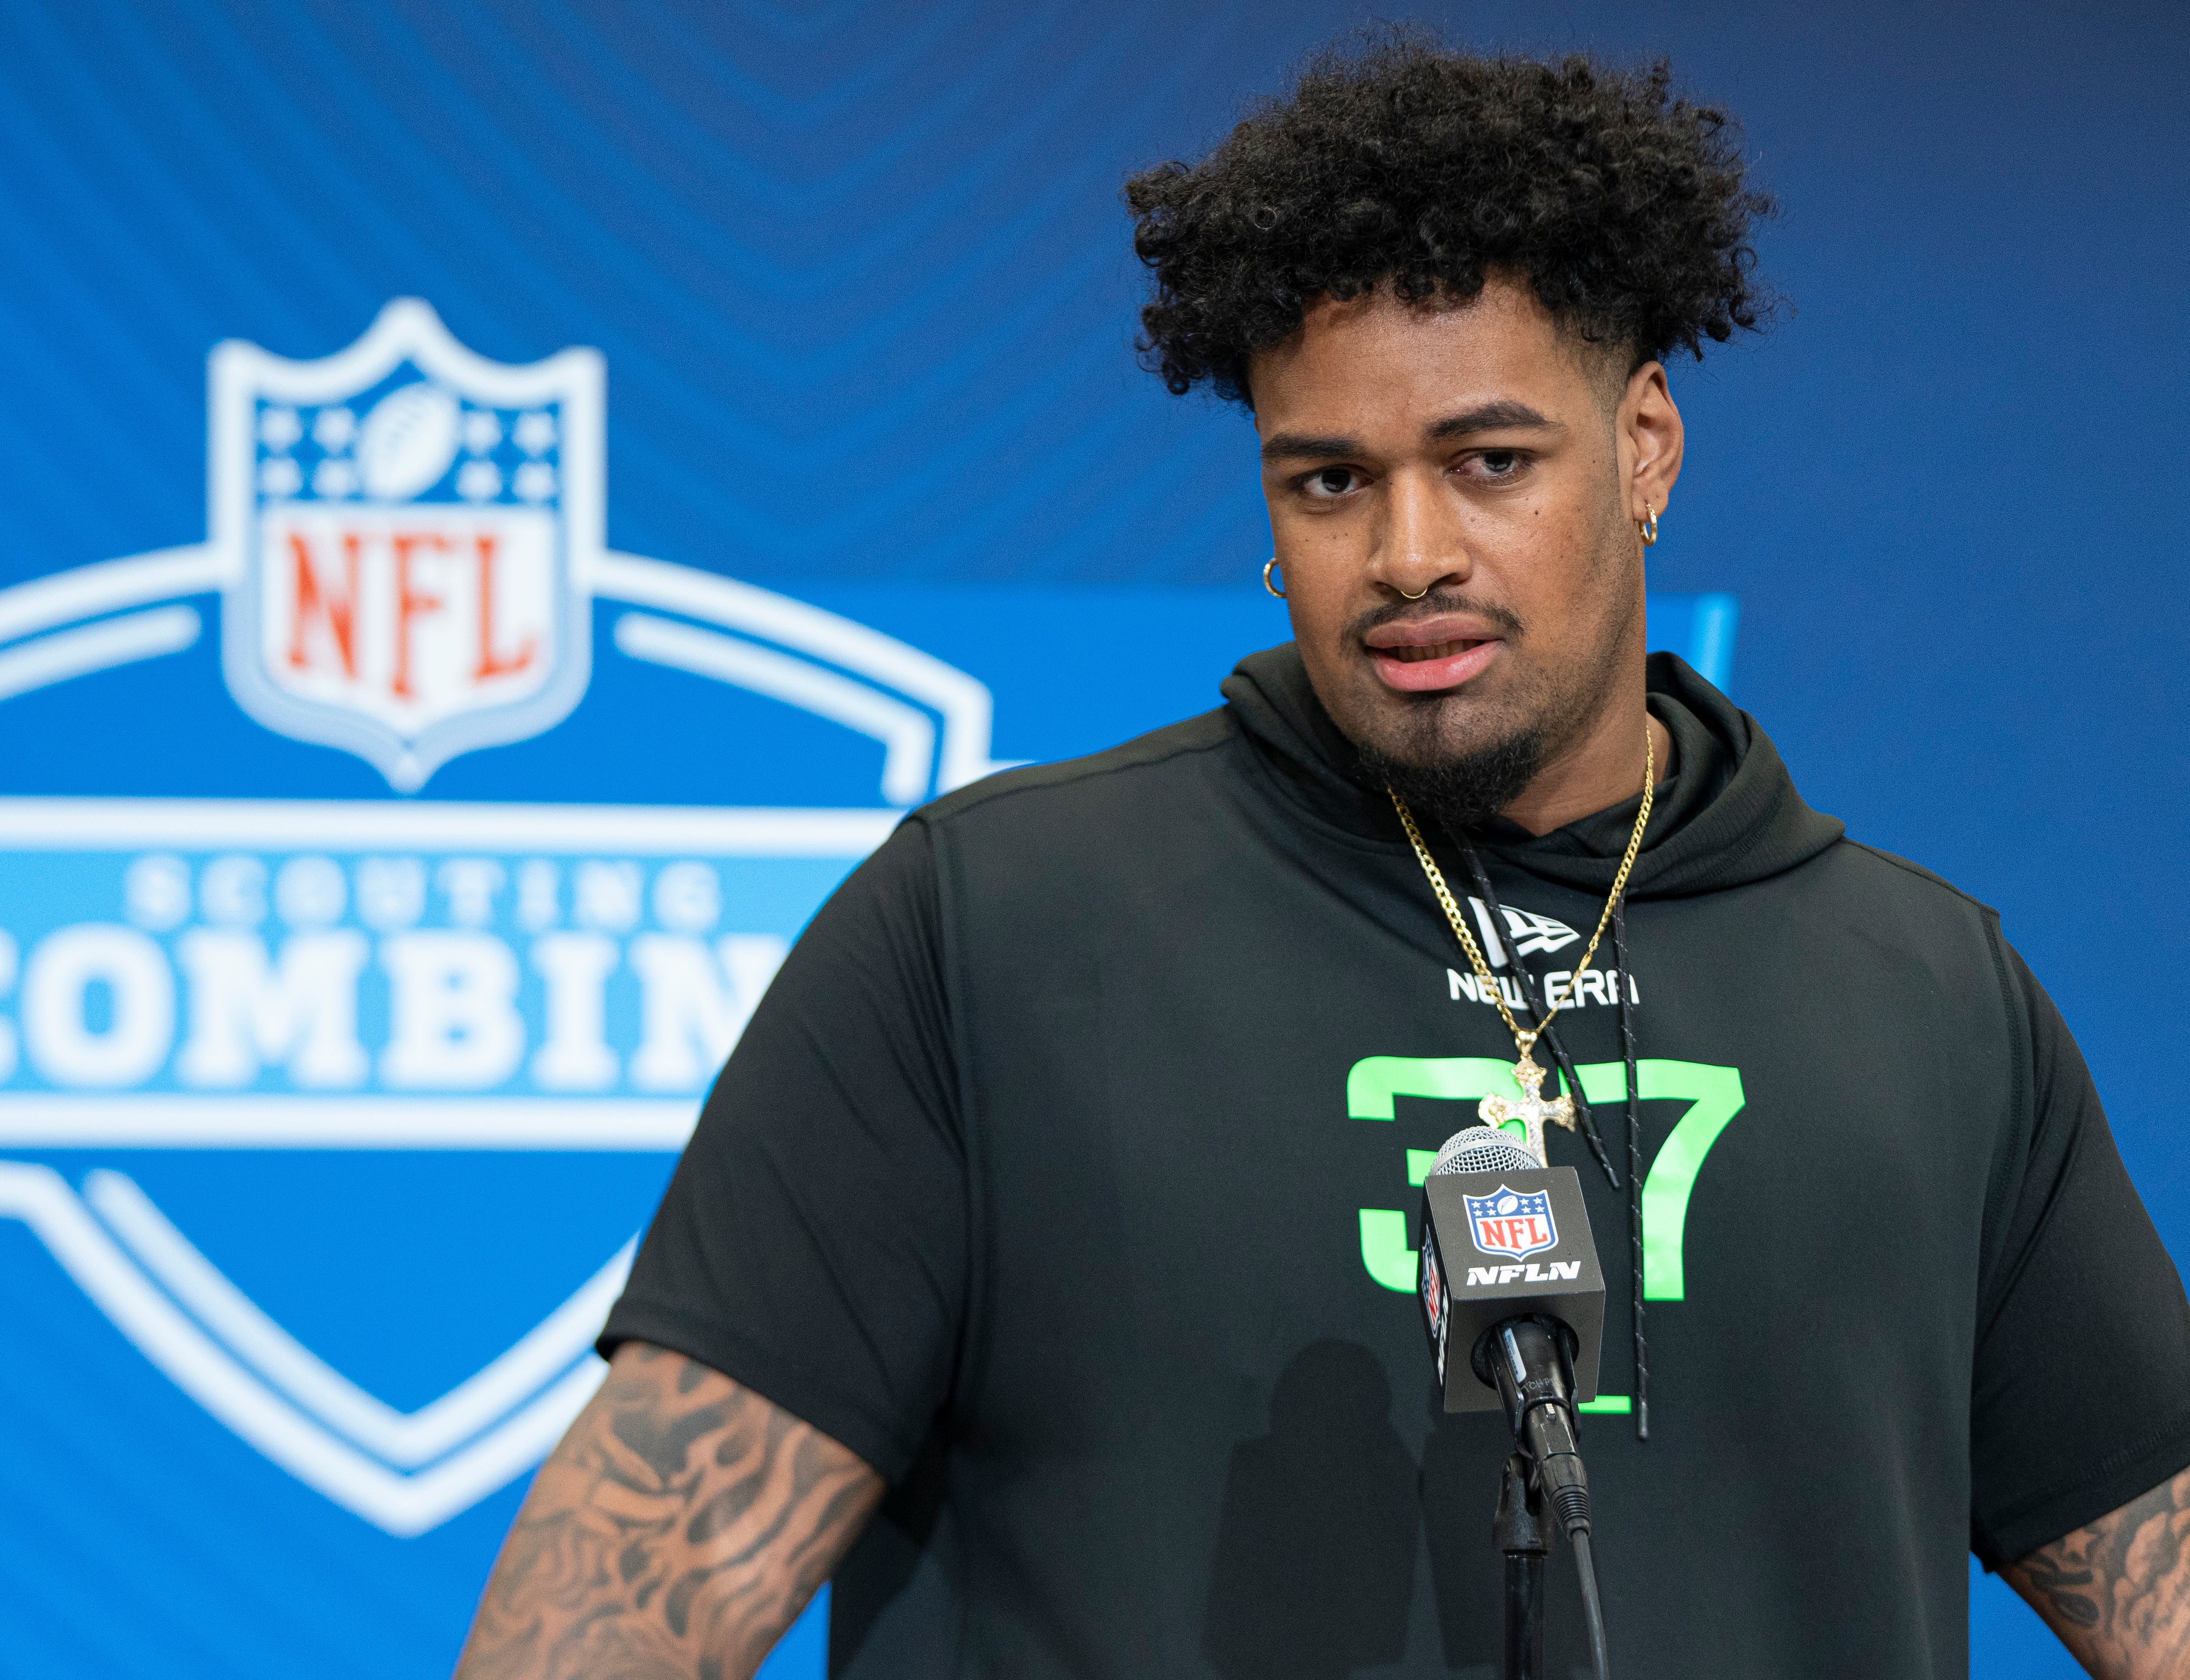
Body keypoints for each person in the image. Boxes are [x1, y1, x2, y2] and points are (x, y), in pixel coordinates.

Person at [453, 36, 2190, 1680]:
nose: (1408, 552)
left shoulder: (1932, 997)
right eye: (1331, 482)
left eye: (1489, 461)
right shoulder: (991, 930)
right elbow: (636, 1588)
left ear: (1645, 448)